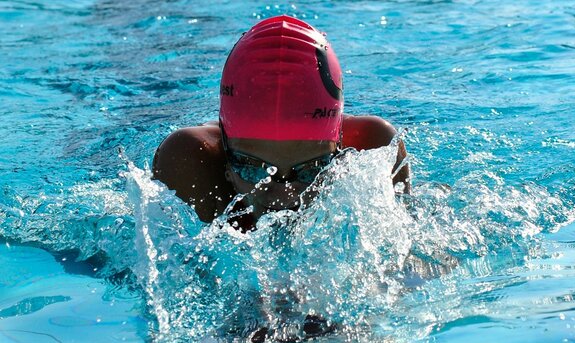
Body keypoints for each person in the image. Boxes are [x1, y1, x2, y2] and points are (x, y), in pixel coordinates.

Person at [152, 15, 409, 232]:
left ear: (339, 148)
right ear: (225, 153)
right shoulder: (189, 162)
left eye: (311, 170)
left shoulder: (375, 148)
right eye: (255, 170)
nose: (285, 196)